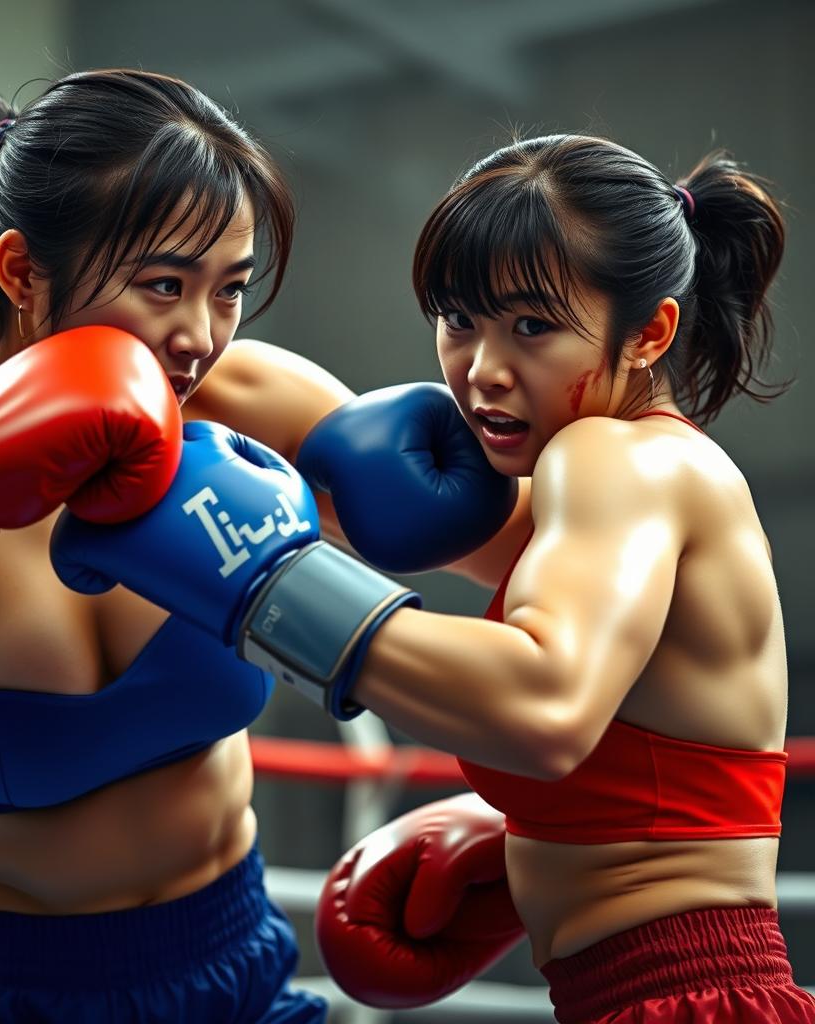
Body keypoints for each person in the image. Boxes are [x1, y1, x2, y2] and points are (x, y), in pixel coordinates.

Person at [50, 134, 815, 1022]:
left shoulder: (618, 461)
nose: (483, 370)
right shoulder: (618, 489)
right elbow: (331, 459)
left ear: (649, 333)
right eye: (459, 321)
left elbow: (545, 706)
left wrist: (252, 581)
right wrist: (520, 844)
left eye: (531, 327)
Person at [0, 67, 352, 1023]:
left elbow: (506, 539)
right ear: (21, 271)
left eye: (229, 291)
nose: (199, 337)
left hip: (237, 975)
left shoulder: (236, 404)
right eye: (163, 285)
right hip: (3, 998)